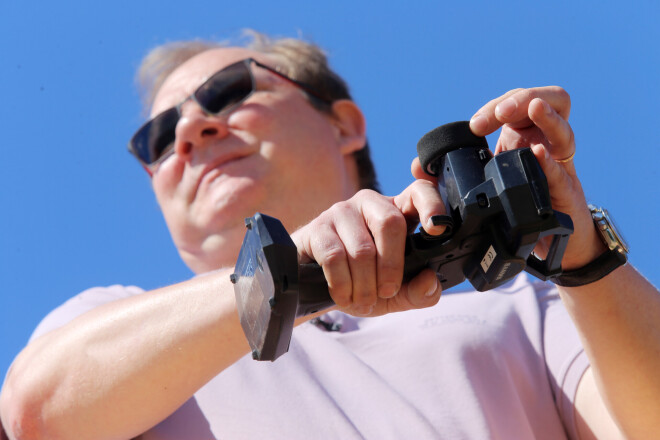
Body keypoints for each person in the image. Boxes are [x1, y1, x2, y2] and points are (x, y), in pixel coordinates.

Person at [1, 31, 659, 440]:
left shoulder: (524, 315)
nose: (190, 131)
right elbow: (39, 417)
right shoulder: (102, 326)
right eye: (156, 136)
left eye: (229, 92)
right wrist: (287, 273)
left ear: (344, 123)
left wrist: (578, 253)